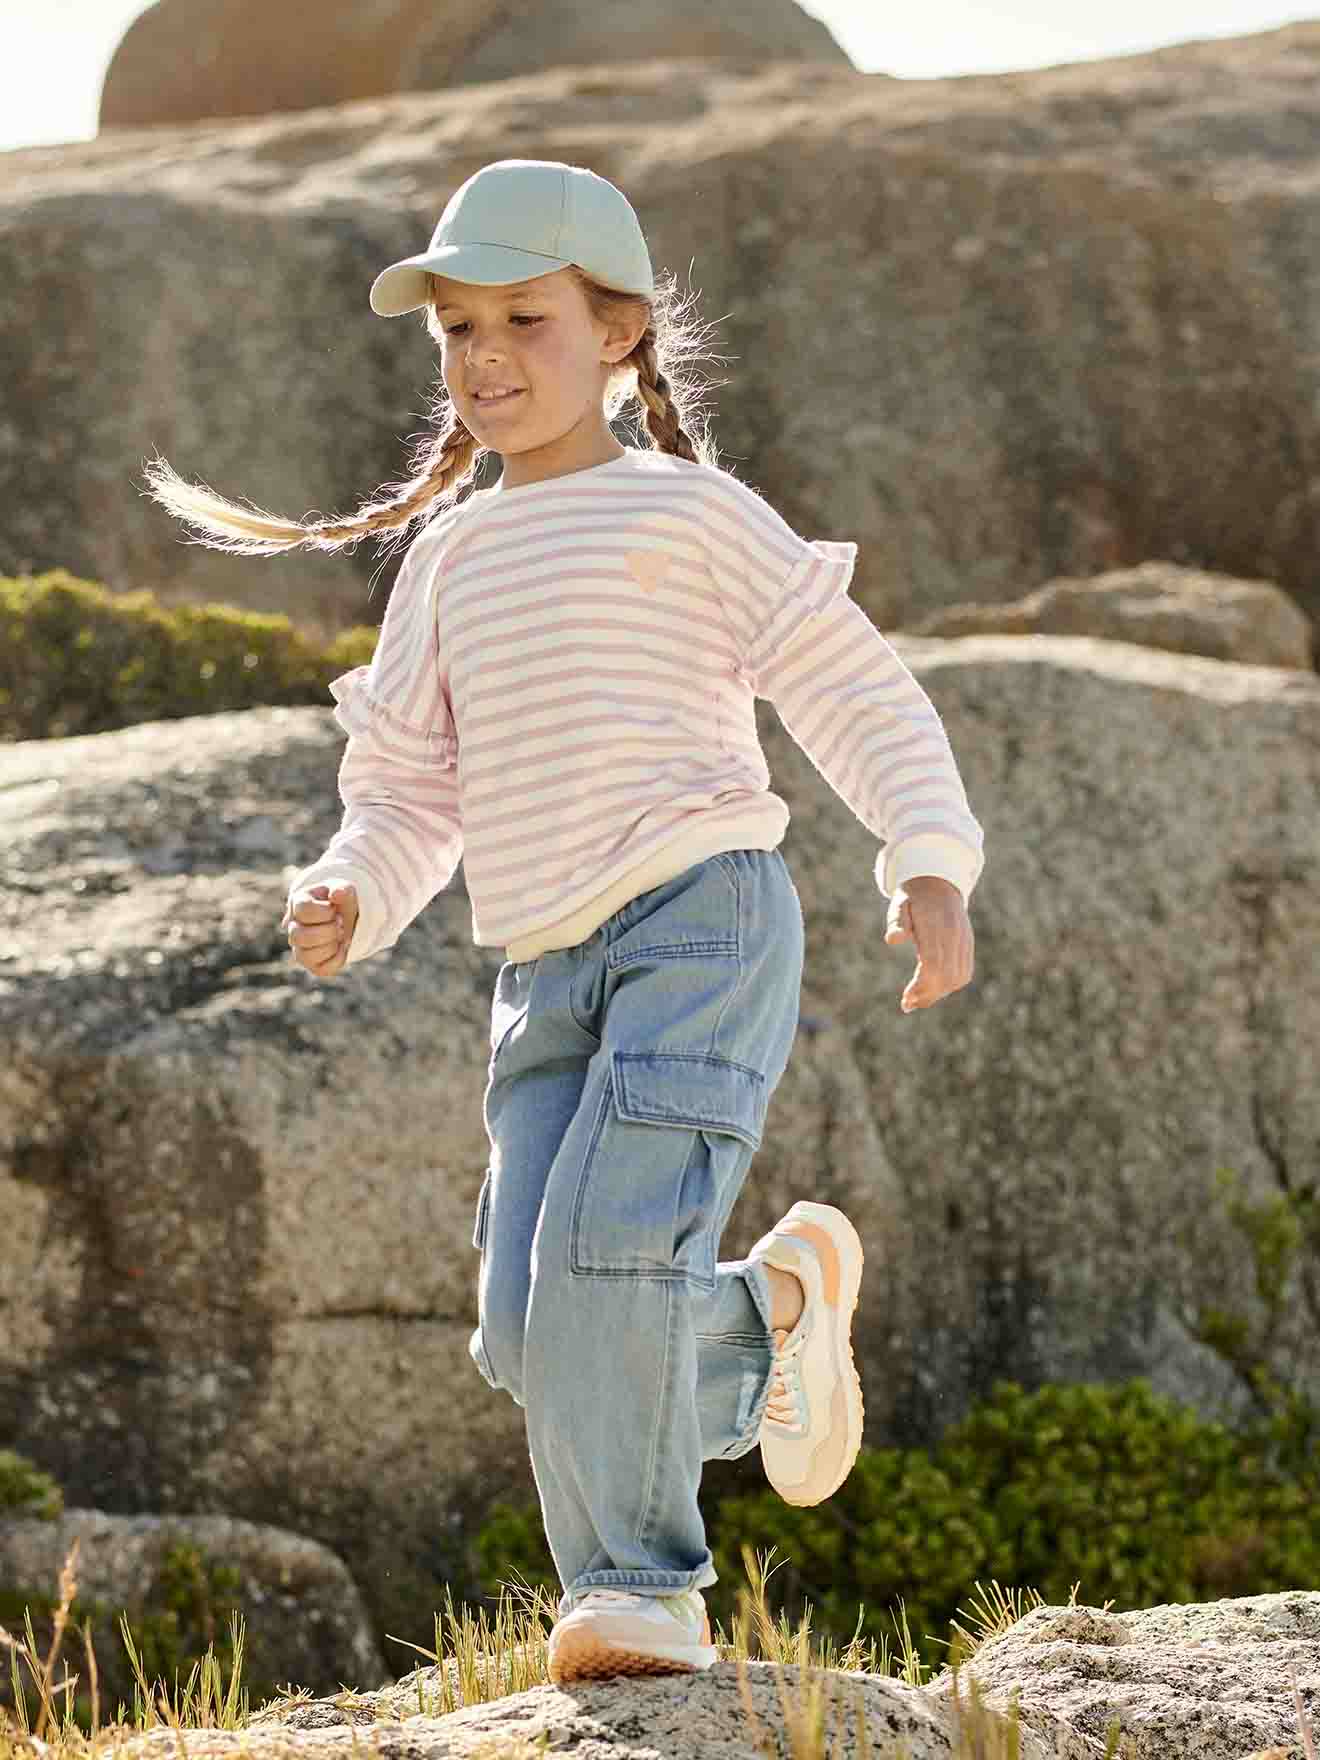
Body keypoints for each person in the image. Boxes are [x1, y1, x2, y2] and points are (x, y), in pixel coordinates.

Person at [141, 157, 984, 1685]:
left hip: (701, 927)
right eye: (456, 329)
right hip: (540, 972)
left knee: (604, 1258)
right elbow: (405, 783)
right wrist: (357, 886)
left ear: (619, 333)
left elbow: (848, 685)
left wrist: (925, 853)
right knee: (531, 1337)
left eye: (521, 318)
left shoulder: (692, 515)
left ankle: (641, 1592)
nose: (482, 359)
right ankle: (774, 1310)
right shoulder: (450, 558)